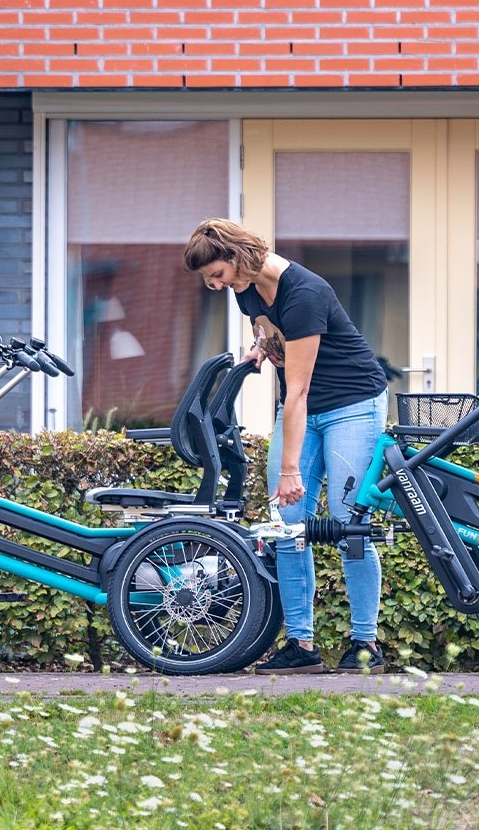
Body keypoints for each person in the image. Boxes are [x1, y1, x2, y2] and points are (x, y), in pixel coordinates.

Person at [184, 219, 390, 675]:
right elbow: (267, 326)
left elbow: (297, 392)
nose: (216, 286)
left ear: (237, 258)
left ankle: (365, 643)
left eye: (216, 275)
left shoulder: (305, 294)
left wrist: (291, 470)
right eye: (208, 280)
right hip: (305, 406)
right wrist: (262, 346)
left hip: (352, 403)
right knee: (286, 524)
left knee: (348, 521)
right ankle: (301, 644)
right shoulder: (247, 288)